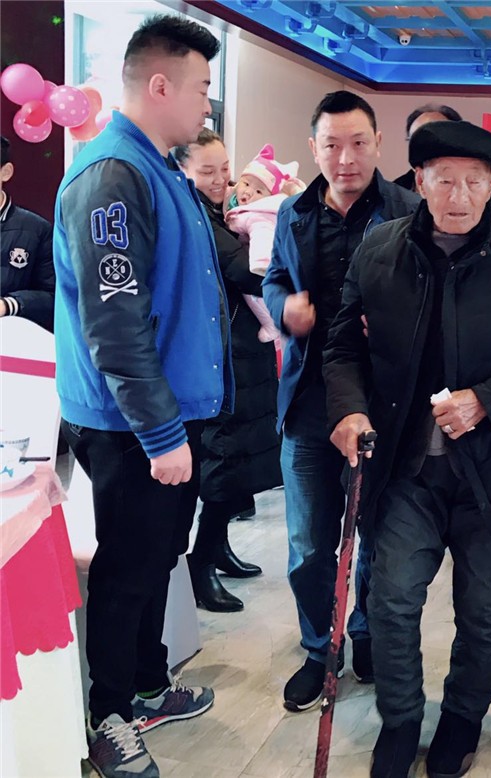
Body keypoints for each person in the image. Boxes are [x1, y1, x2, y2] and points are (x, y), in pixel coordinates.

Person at [324, 120, 491, 778]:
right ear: (419, 181)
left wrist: (488, 399)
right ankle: (400, 720)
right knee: (391, 599)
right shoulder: (381, 249)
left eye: (475, 182)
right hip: (405, 466)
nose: (460, 196)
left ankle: (464, 718)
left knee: (483, 608)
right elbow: (343, 344)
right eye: (445, 180)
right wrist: (350, 408)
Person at [53, 16, 227, 778]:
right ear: (160, 85)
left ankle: (149, 683)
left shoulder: (158, 168)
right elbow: (116, 325)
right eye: (201, 88)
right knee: (128, 569)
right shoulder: (111, 178)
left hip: (168, 413)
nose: (207, 104)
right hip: (132, 425)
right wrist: (160, 434)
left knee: (159, 556)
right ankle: (109, 716)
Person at [263, 90, 419, 712]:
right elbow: (275, 277)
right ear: (313, 148)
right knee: (308, 543)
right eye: (332, 145)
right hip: (308, 401)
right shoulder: (295, 212)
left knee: (377, 536)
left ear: (378, 143)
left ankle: (366, 633)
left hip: (382, 405)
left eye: (358, 143)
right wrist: (284, 307)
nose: (346, 158)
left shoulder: (409, 211)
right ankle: (318, 648)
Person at [174, 130, 282, 613]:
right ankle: (199, 564)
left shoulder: (222, 212)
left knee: (237, 458)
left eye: (224, 169)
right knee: (222, 458)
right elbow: (246, 270)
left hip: (241, 351)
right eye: (207, 171)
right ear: (183, 171)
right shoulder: (192, 217)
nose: (221, 180)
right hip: (218, 358)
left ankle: (216, 546)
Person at [222, 143, 306, 343]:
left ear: (269, 196)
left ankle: (271, 324)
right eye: (246, 184)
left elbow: (262, 238)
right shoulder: (235, 199)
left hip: (261, 266)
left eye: (259, 191)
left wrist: (261, 264)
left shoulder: (261, 214)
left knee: (253, 296)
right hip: (250, 255)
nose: (248, 192)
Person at [0, 135, 55, 331]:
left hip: (12, 341)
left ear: (6, 172)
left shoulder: (37, 230)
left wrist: (8, 304)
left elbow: (53, 297)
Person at [393, 103, 462, 191]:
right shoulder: (394, 191)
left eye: (434, 138)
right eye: (416, 140)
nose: (423, 146)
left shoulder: (473, 189)